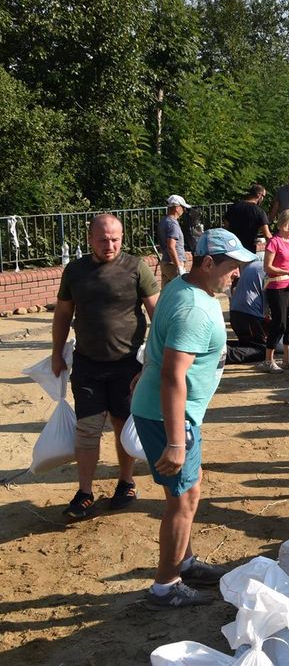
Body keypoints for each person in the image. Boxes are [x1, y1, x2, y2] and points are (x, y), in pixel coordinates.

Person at [131, 228, 255, 608]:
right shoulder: (195, 309)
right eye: (233, 266)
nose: (237, 274)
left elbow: (160, 348)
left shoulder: (181, 287)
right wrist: (175, 441)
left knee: (190, 491)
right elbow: (173, 374)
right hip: (171, 417)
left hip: (171, 412)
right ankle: (166, 586)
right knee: (181, 501)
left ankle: (183, 561)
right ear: (207, 263)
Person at [52, 214, 159, 520]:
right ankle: (85, 492)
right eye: (103, 240)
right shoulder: (75, 271)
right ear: (90, 240)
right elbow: (62, 314)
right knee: (87, 430)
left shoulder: (136, 268)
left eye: (115, 239)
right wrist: (56, 352)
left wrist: (154, 359)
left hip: (127, 364)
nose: (110, 245)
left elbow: (157, 314)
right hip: (87, 364)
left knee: (123, 426)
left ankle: (126, 483)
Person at [260, 210, 289, 373]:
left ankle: (287, 359)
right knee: (280, 323)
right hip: (276, 287)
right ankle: (268, 360)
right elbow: (267, 266)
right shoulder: (274, 242)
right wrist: (286, 272)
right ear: (288, 224)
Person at [226, 258, 267, 365]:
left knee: (247, 344)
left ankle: (218, 347)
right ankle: (224, 354)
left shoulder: (255, 265)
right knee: (262, 351)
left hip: (237, 313)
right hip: (249, 315)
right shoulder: (269, 270)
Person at [223, 185, 271, 254]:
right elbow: (267, 235)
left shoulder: (234, 207)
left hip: (232, 248)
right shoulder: (260, 212)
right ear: (259, 195)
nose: (263, 199)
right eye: (263, 196)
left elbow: (225, 228)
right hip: (249, 250)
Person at [157, 195, 190, 286]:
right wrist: (179, 266)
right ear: (177, 208)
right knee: (183, 289)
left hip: (165, 262)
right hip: (173, 264)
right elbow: (171, 246)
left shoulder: (164, 221)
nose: (184, 210)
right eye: (183, 207)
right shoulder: (173, 224)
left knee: (166, 294)